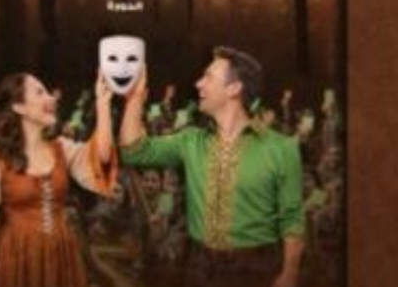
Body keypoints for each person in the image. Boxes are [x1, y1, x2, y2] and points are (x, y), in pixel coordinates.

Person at [119, 47, 305, 287]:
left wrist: (289, 274)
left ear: (234, 88)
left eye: (208, 77)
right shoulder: (190, 141)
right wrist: (134, 99)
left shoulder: (282, 148)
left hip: (256, 270)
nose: (198, 83)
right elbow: (133, 152)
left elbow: (292, 220)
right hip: (199, 267)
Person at [0, 71, 117, 287]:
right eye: (40, 92)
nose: (51, 98)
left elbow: (102, 160)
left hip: (62, 259)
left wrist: (103, 105)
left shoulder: (62, 149)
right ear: (19, 107)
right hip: (18, 260)